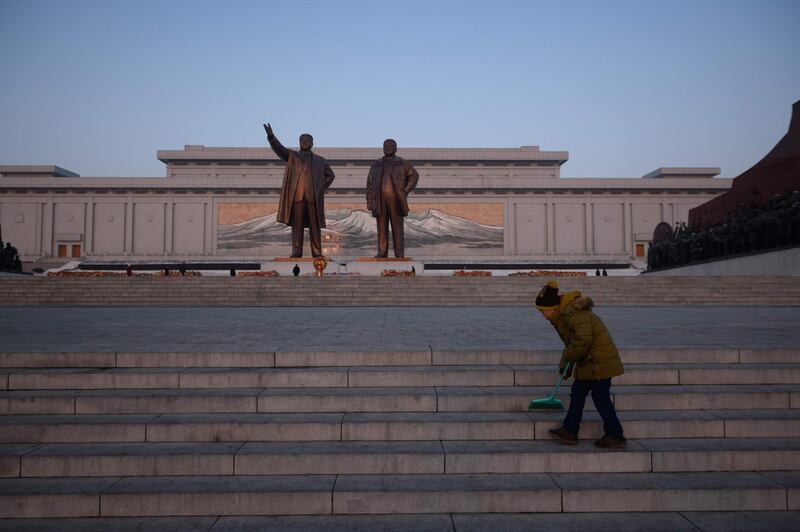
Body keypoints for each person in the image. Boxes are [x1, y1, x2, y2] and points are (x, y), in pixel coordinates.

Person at [535, 279, 626, 448]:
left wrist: (566, 359)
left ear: (552, 308)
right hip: (588, 362)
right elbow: (573, 343)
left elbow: (583, 340)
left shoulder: (574, 313)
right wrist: (567, 365)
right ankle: (570, 430)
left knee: (601, 398)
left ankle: (615, 434)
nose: (542, 314)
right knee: (577, 394)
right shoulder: (562, 316)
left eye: (543, 310)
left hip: (600, 362)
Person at [264, 123, 335, 258]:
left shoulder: (320, 161)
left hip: (312, 198)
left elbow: (331, 176)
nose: (305, 142)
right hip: (297, 198)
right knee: (297, 227)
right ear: (299, 142)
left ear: (312, 143)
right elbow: (280, 150)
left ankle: (317, 252)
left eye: (308, 141)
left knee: (315, 227)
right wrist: (271, 137)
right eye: (303, 140)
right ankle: (297, 252)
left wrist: (319, 187)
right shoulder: (293, 156)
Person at [366, 139, 419, 258]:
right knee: (381, 226)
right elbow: (370, 183)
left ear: (396, 148)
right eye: (386, 145)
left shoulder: (402, 163)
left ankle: (399, 254)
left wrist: (405, 191)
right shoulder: (376, 164)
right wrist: (369, 200)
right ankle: (382, 252)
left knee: (397, 226)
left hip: (396, 200)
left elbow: (414, 176)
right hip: (380, 200)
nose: (388, 147)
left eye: (391, 145)